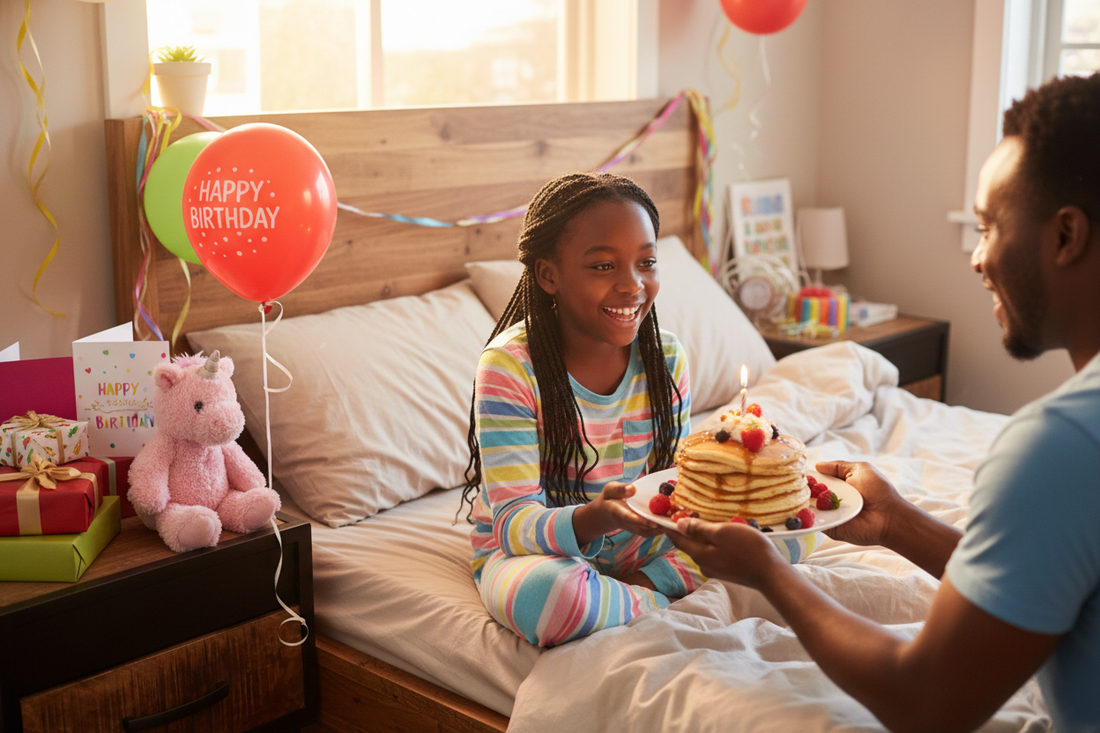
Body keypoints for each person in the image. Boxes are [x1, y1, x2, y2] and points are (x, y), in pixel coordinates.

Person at [670, 71, 1100, 733]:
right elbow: (1047, 575)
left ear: (1066, 236)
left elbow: (925, 702)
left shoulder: (1060, 447)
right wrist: (897, 522)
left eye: (988, 227)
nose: (977, 258)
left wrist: (768, 571)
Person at [459, 172, 705, 647]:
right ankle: (656, 597)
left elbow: (677, 486)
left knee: (794, 520)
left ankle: (638, 589)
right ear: (548, 275)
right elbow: (513, 525)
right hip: (542, 554)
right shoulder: (510, 366)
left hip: (646, 544)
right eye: (603, 266)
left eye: (646, 262)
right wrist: (597, 518)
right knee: (548, 599)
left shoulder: (666, 357)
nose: (632, 285)